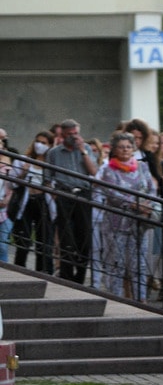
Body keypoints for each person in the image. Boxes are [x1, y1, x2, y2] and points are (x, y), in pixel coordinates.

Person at [96, 132, 158, 300]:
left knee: (139, 264)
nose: (125, 150)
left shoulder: (142, 167)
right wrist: (135, 204)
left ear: (134, 149)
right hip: (117, 224)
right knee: (117, 264)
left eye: (128, 147)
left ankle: (141, 300)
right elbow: (112, 193)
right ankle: (116, 299)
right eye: (121, 147)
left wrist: (147, 204)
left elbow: (151, 188)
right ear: (115, 149)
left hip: (139, 223)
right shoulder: (109, 170)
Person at [46, 119, 100, 284]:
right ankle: (67, 275)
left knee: (84, 236)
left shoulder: (87, 149)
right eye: (70, 134)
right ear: (62, 134)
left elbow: (93, 172)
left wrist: (83, 151)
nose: (74, 137)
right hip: (64, 194)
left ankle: (80, 276)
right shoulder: (54, 153)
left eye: (76, 133)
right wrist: (56, 195)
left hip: (83, 194)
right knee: (66, 237)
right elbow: (47, 179)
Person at [10, 132, 54, 274]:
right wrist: (23, 172)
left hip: (43, 202)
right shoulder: (23, 160)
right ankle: (19, 270)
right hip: (26, 202)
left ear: (50, 146)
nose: (39, 145)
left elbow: (54, 185)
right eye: (38, 141)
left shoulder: (50, 165)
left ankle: (44, 272)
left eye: (44, 143)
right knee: (24, 240)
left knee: (44, 241)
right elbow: (12, 184)